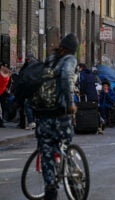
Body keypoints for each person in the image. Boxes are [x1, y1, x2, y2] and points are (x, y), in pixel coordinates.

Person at [34, 33, 79, 199]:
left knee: (46, 152)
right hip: (60, 113)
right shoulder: (69, 60)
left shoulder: (50, 59)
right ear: (73, 50)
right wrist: (70, 104)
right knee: (65, 142)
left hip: (42, 113)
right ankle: (70, 174)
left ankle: (50, 188)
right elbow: (67, 78)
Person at [0, 63, 10, 128]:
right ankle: (1, 122)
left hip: (2, 93)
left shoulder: (3, 77)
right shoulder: (7, 77)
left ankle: (1, 122)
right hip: (3, 93)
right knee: (2, 108)